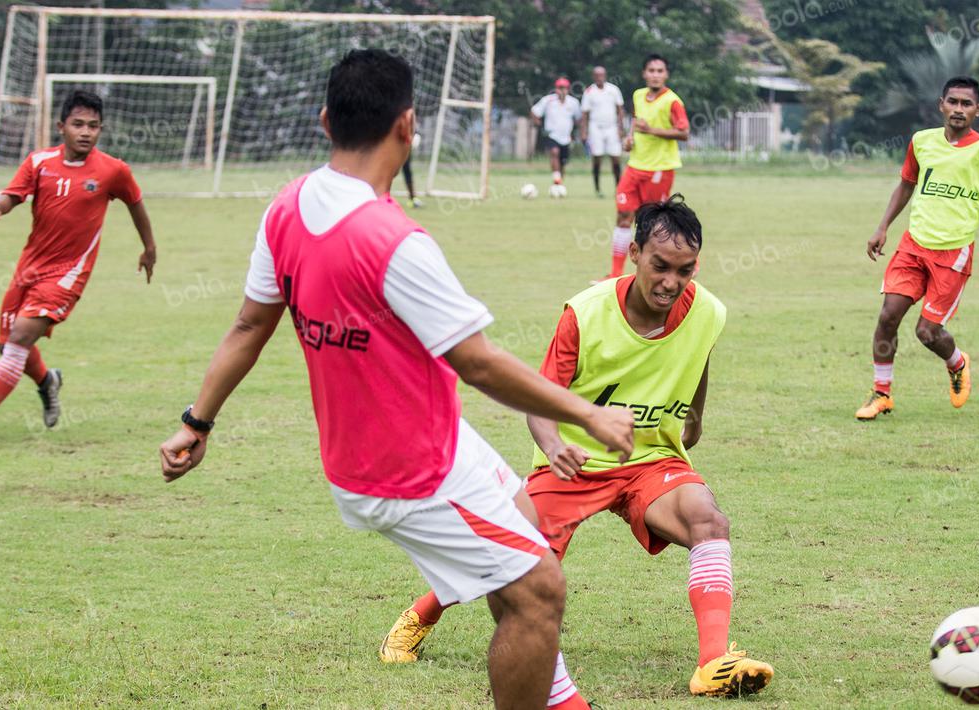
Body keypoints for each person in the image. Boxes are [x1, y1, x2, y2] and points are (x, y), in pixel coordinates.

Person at [156, 49, 635, 710]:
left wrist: (196, 421)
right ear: (408, 126)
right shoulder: (394, 241)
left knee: (526, 524)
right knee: (540, 591)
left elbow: (248, 325)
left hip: (416, 442)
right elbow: (479, 363)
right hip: (410, 471)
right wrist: (588, 413)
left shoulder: (286, 207)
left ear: (326, 120)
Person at [380, 195, 775, 698]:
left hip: (650, 458)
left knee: (708, 520)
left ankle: (712, 663)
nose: (671, 282)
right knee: (512, 553)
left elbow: (697, 365)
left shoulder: (709, 312)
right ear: (634, 253)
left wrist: (693, 420)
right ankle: (421, 614)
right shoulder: (584, 314)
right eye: (660, 266)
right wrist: (554, 446)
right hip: (576, 463)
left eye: (684, 270)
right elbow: (538, 400)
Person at [0, 90, 156, 439]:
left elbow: (136, 203)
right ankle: (48, 381)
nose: (86, 132)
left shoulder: (113, 170)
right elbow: (13, 195)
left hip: (69, 273)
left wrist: (149, 248)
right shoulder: (39, 162)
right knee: (8, 346)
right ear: (61, 126)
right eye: (78, 124)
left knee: (18, 339)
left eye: (93, 126)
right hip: (29, 268)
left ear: (101, 130)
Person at [856, 76, 979, 421]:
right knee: (888, 316)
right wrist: (882, 227)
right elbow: (905, 185)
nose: (958, 109)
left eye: (966, 104)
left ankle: (957, 362)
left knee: (927, 332)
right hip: (913, 246)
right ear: (941, 105)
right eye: (953, 102)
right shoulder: (922, 142)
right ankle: (881, 393)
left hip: (953, 253)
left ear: (978, 110)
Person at [598, 54, 688, 281]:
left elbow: (684, 132)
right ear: (644, 73)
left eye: (660, 71)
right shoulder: (638, 95)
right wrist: (629, 140)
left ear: (666, 74)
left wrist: (651, 131)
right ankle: (615, 274)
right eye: (651, 70)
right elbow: (636, 124)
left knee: (655, 223)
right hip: (635, 166)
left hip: (660, 168)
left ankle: (686, 262)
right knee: (623, 216)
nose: (655, 75)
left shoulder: (672, 101)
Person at [579, 66, 625, 198]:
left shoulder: (613, 90)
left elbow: (620, 110)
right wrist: (584, 132)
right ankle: (597, 188)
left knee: (615, 158)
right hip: (595, 128)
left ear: (605, 75)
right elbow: (584, 114)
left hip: (612, 127)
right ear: (593, 77)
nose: (599, 77)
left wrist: (620, 128)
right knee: (597, 158)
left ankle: (619, 189)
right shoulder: (589, 92)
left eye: (602, 75)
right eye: (597, 75)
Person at [530, 77, 582, 187]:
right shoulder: (548, 100)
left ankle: (559, 183)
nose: (562, 91)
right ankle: (556, 178)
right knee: (554, 153)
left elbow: (578, 118)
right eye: (560, 88)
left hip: (566, 137)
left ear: (568, 89)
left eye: (564, 88)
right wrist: (538, 123)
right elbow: (534, 111)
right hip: (552, 134)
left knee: (563, 161)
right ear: (556, 89)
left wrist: (578, 132)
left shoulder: (573, 102)